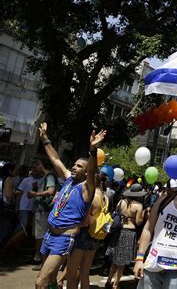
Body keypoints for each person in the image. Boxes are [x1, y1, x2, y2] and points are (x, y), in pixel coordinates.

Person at [35, 122, 106, 289]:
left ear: (87, 172)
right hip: (49, 235)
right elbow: (55, 159)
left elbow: (92, 170)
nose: (74, 167)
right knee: (51, 281)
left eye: (79, 166)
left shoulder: (86, 189)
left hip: (63, 238)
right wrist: (45, 138)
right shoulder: (69, 179)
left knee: (40, 283)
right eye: (74, 164)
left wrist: (93, 150)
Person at [105, 183, 145, 289]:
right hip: (129, 233)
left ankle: (109, 281)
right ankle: (116, 284)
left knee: (114, 260)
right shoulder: (139, 206)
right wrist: (144, 215)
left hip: (118, 231)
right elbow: (138, 222)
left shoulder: (121, 201)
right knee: (121, 262)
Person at [27, 160, 58, 266]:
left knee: (41, 236)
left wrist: (35, 194)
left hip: (43, 210)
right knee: (39, 235)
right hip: (40, 210)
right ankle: (38, 257)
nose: (33, 171)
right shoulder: (44, 177)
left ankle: (41, 259)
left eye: (34, 168)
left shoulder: (49, 176)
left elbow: (51, 191)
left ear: (40, 166)